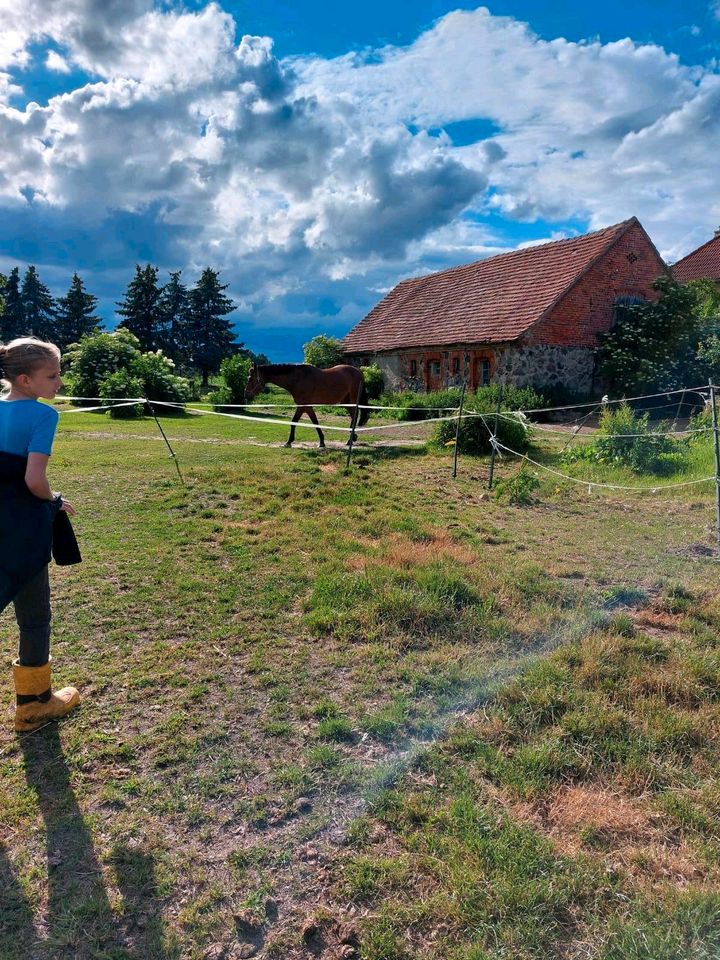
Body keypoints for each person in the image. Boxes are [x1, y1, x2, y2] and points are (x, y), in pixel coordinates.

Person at [0, 337, 81, 732]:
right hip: (22, 530)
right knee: (34, 618)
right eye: (52, 375)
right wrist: (53, 500)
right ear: (25, 380)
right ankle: (33, 704)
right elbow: (34, 480)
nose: (59, 382)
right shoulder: (43, 416)